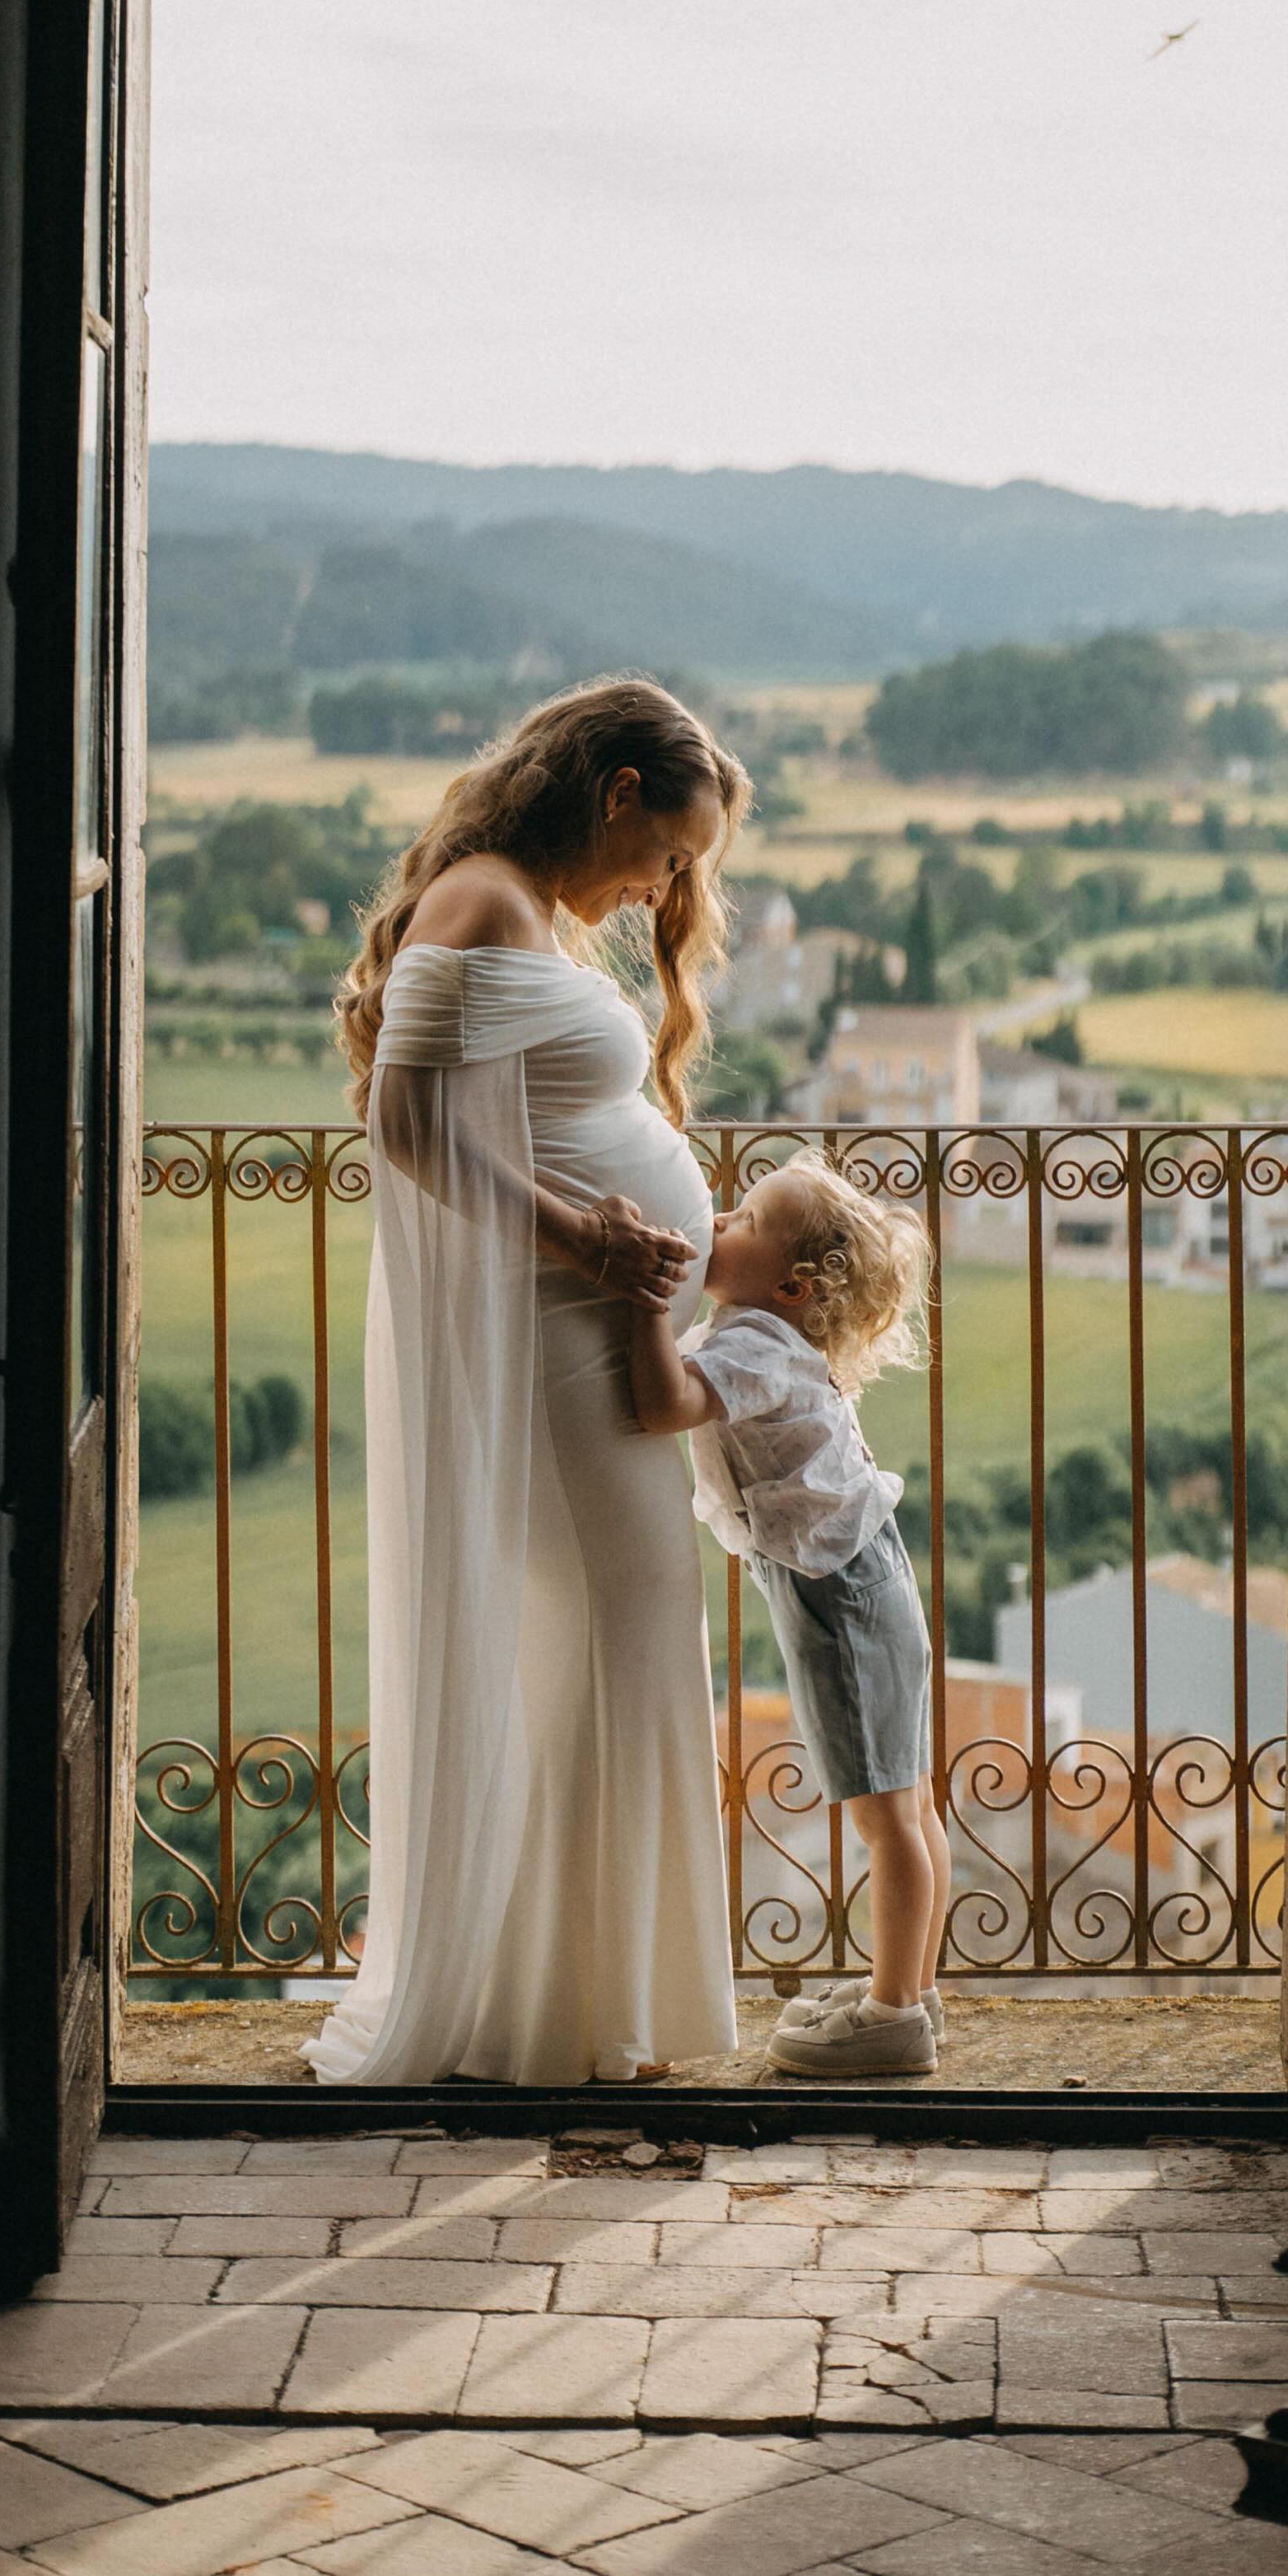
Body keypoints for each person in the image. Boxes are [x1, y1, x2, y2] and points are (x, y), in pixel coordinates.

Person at [306, 677, 750, 2091]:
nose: (665, 885)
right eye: (669, 849)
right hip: (558, 1325)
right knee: (617, 1627)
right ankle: (554, 2010)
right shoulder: (485, 900)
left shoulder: (530, 907)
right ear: (617, 791)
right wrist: (594, 1235)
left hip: (594, 1320)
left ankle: (585, 1994)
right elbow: (410, 1121)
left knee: (617, 1635)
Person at [628, 1157, 950, 2079]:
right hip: (865, 1575)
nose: (719, 1218)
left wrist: (645, 1304)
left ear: (792, 1283)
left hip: (837, 1596)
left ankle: (892, 2020)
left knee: (885, 1812)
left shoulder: (755, 1345)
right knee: (907, 1800)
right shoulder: (758, 1329)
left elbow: (662, 1404)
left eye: (746, 1216)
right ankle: (909, 1991)